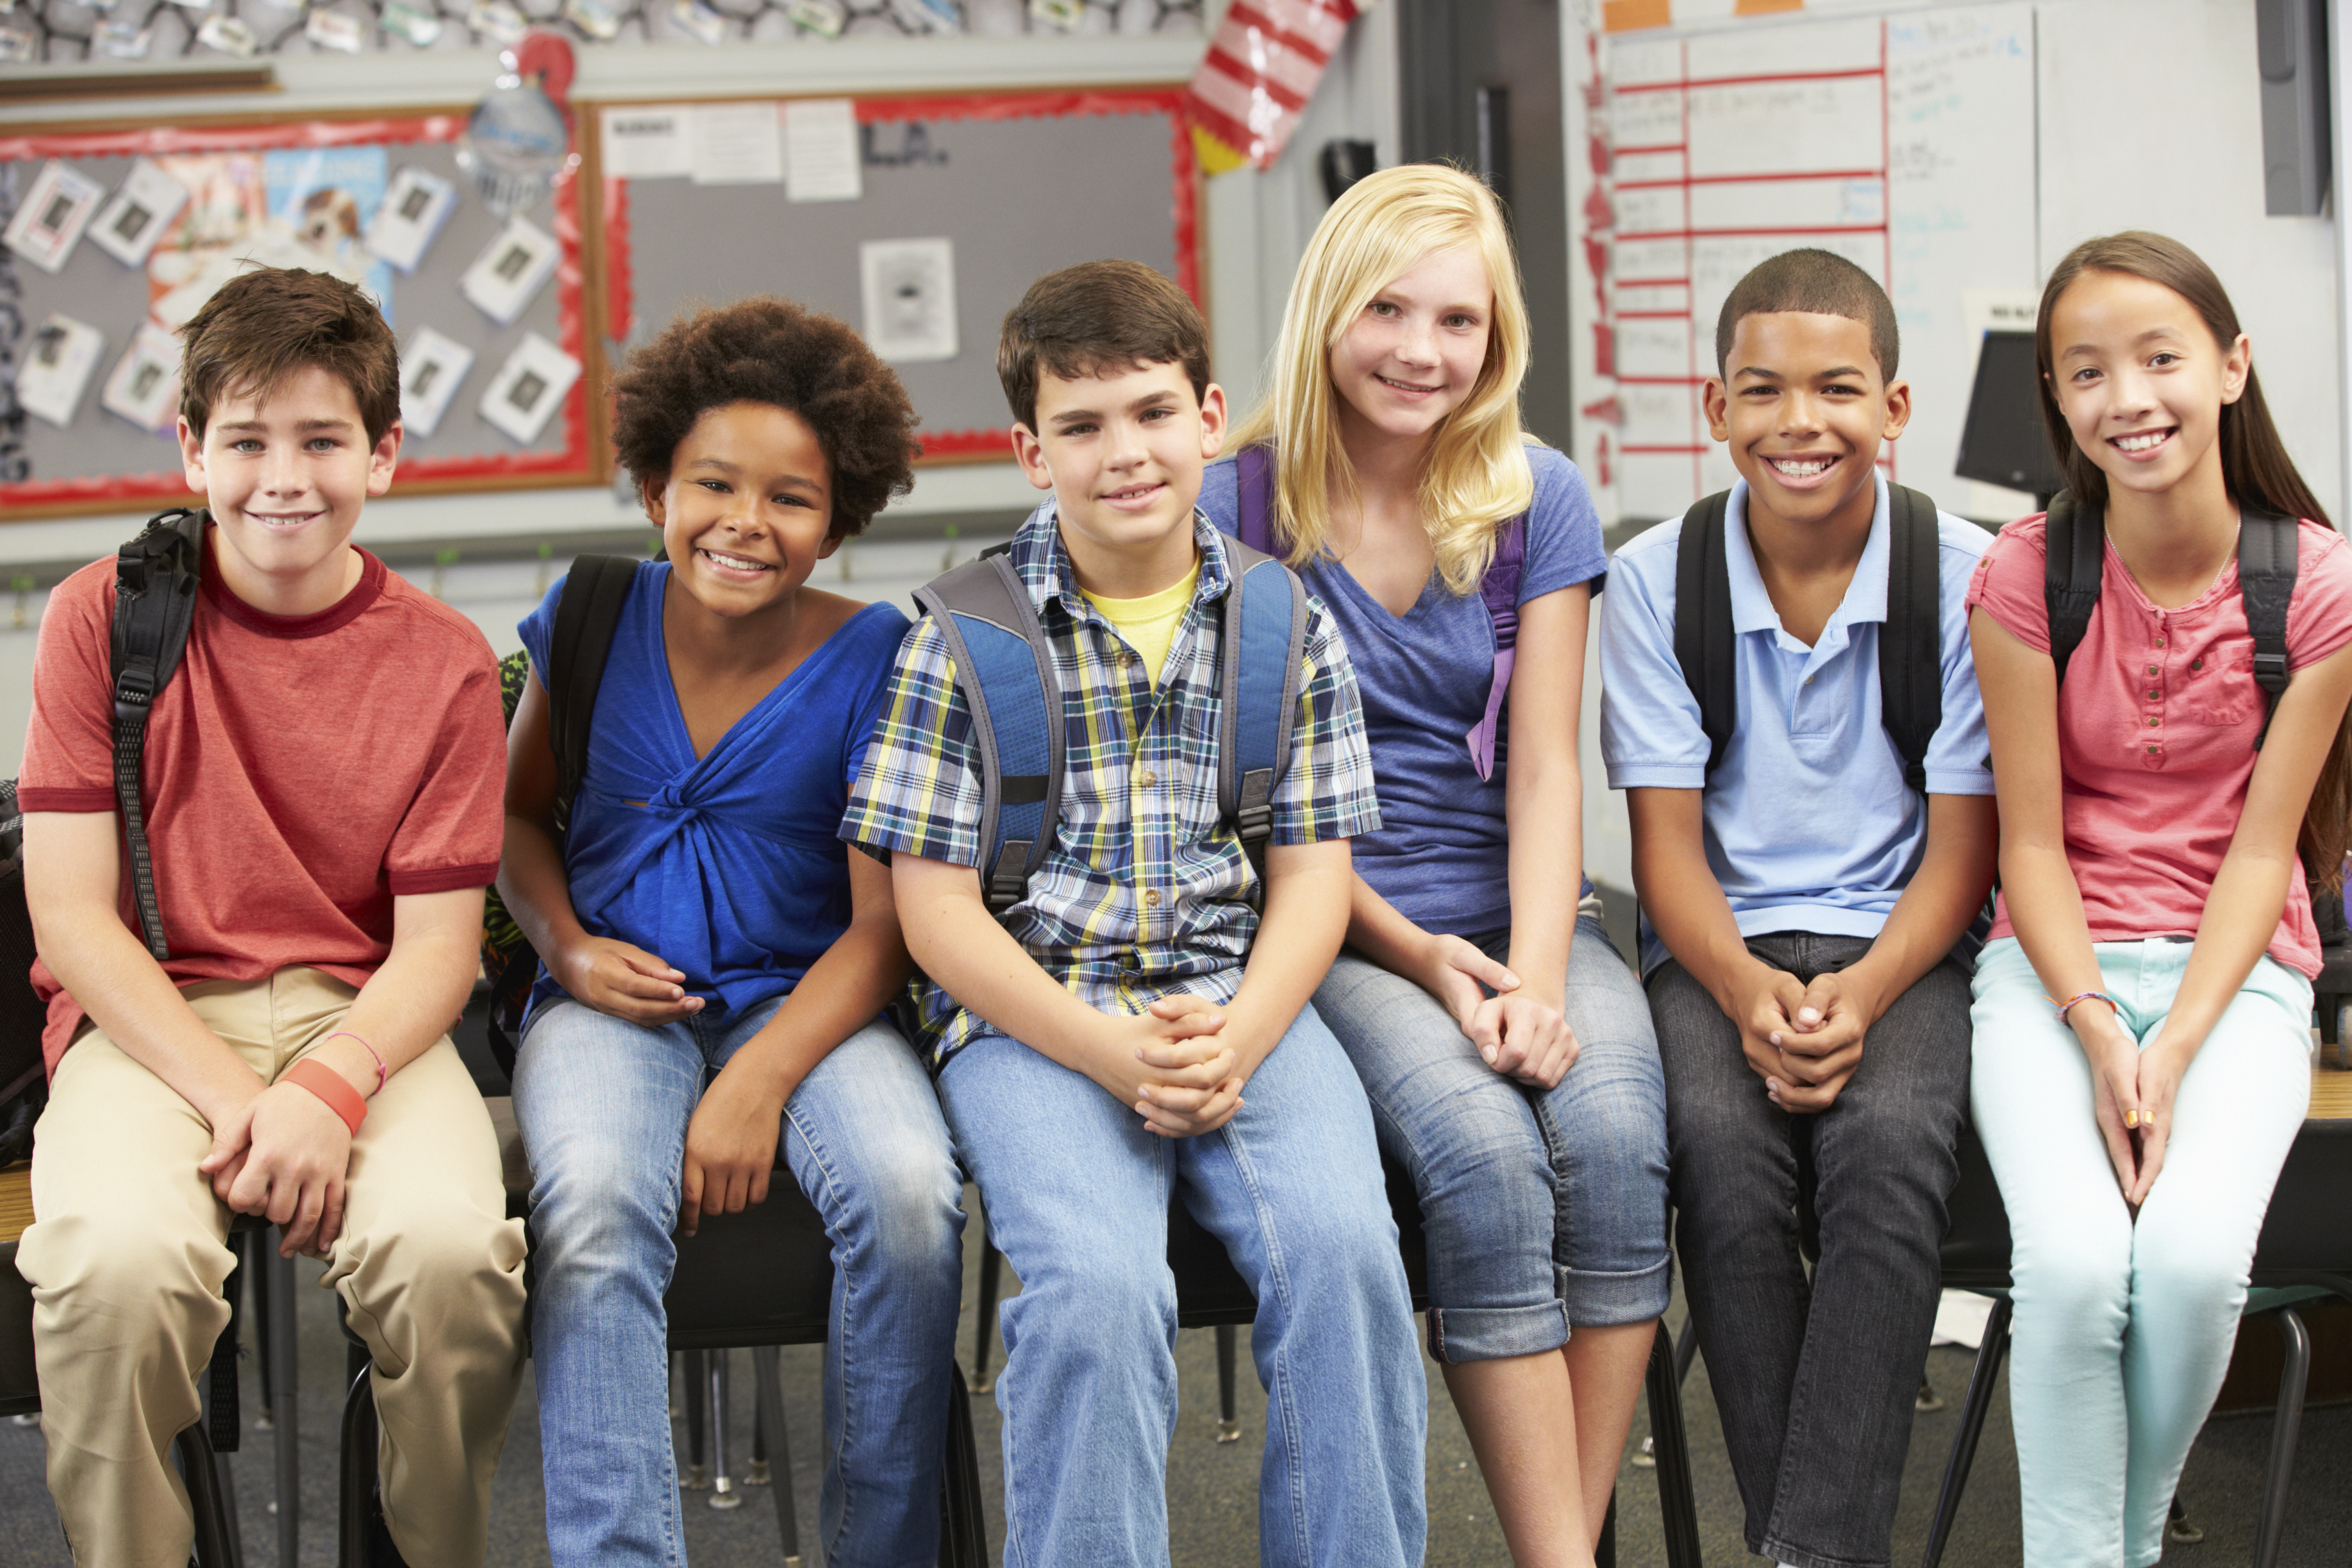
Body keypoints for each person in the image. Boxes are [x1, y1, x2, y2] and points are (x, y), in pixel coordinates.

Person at [841, 258, 1426, 1567]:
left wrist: (1236, 1034)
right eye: (1082, 425)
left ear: (1210, 416)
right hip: (1035, 1022)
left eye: (1153, 411)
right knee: (1096, 1291)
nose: (1126, 452)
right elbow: (933, 916)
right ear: (1026, 451)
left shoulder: (1282, 617)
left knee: (1344, 1256)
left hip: (1239, 1002)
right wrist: (1105, 1049)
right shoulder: (957, 634)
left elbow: (1312, 874)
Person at [16, 266, 527, 1567]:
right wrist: (249, 1100)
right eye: (244, 440)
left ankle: (424, 1545)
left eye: (321, 440)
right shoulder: (100, 617)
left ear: (384, 454)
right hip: (152, 1017)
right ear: (192, 447)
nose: (281, 477)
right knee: (109, 1270)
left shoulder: (445, 660)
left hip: (370, 1021)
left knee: (453, 1257)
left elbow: (438, 951)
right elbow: (74, 917)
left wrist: (327, 1086)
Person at [1198, 163, 1666, 1567]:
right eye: (1387, 308)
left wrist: (1531, 974)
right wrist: (1429, 962)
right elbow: (1250, 806)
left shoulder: (1537, 496)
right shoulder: (1231, 503)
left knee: (1618, 1140)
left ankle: (1553, 1553)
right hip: (1332, 916)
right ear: (1327, 312)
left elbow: (1540, 771)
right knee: (1479, 1155)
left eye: (1456, 320)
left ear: (1496, 337)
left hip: (1518, 908)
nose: (1420, 349)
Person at [497, 297, 966, 1568]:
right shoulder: (589, 613)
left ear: (840, 516)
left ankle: (881, 1546)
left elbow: (886, 929)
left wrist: (756, 1078)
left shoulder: (882, 652)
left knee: (914, 1199)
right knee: (591, 1200)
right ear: (656, 484)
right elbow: (514, 817)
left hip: (809, 1000)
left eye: (791, 499)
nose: (745, 524)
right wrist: (567, 950)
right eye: (712, 483)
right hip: (608, 997)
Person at [1600, 249, 2000, 1568]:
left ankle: (1801, 1553)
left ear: (1893, 405)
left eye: (1836, 388)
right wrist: (1745, 993)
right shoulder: (1656, 579)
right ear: (1714, 409)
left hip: (1906, 944)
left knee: (1888, 1163)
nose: (1797, 421)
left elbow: (1961, 851)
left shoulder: (1969, 576)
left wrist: (1864, 993)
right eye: (1759, 390)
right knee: (1718, 1169)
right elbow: (1664, 851)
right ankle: (1818, 1551)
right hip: (1720, 948)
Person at [1966, 231, 2352, 1565]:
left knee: (2188, 1274)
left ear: (2230, 367)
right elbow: (2025, 845)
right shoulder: (2028, 570)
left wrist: (2173, 1042)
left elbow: (2265, 853)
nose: (2124, 397)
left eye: (2157, 358)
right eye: (2084, 372)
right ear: (2058, 403)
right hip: (2048, 969)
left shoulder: (2312, 582)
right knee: (2071, 1274)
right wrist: (2091, 1023)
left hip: (2233, 977)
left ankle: (2109, 1548)